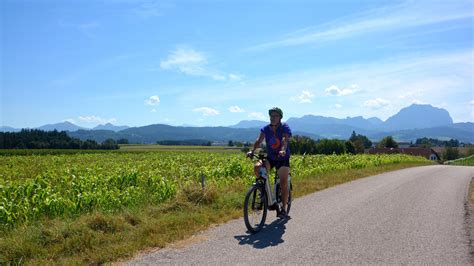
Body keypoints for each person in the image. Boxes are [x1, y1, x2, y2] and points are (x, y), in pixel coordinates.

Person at [247, 107, 292, 218]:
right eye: (271, 116)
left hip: (282, 158)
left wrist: (283, 149)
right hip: (271, 158)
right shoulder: (266, 129)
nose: (273, 118)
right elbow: (259, 140)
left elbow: (285, 140)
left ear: (280, 118)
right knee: (258, 168)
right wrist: (252, 150)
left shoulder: (284, 127)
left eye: (275, 116)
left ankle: (283, 209)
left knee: (283, 182)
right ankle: (264, 194)